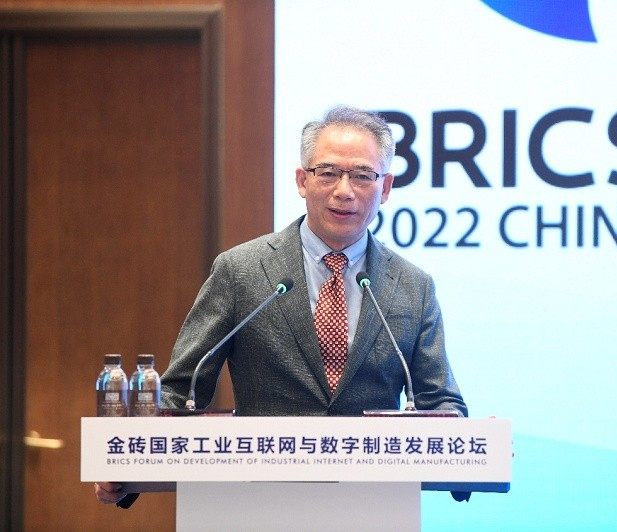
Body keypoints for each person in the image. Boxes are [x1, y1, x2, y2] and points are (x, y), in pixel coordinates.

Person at [95, 105, 468, 505]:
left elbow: (440, 401)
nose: (344, 190)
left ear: (386, 187)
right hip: (259, 502)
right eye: (328, 173)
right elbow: (183, 388)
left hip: (374, 505)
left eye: (362, 175)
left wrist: (465, 459)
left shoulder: (413, 286)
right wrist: (127, 472)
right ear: (302, 181)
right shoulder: (241, 270)